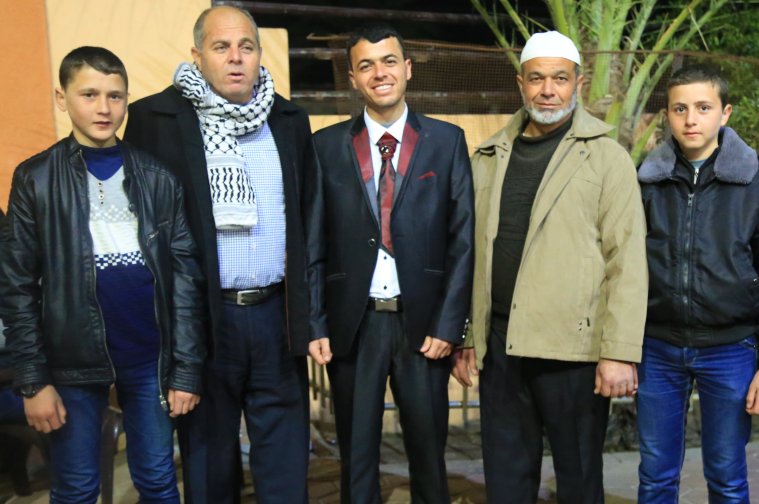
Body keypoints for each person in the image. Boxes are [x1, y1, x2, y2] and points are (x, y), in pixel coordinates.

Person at [124, 6, 325, 503]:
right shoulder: (155, 120)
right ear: (197, 55)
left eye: (246, 47)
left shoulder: (288, 119)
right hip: (205, 322)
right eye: (221, 47)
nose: (236, 58)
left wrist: (309, 316)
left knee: (286, 463)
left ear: (259, 54)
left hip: (276, 316)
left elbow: (309, 221)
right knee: (209, 467)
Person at [0, 46, 205, 504]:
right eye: (89, 94)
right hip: (70, 364)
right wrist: (33, 381)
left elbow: (185, 281)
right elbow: (16, 287)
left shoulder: (157, 177)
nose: (104, 108)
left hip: (149, 358)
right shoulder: (36, 179)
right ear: (62, 97)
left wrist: (187, 369)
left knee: (158, 481)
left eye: (115, 96)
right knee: (76, 488)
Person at [452, 31, 648, 503]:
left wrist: (619, 352)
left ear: (577, 84)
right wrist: (468, 334)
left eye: (559, 79)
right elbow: (469, 253)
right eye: (537, 78)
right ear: (520, 84)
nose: (547, 90)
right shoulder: (488, 156)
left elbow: (627, 258)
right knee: (506, 479)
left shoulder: (607, 158)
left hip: (573, 351)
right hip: (502, 346)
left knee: (578, 478)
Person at [311, 24, 473, 503]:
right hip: (353, 324)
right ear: (352, 79)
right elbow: (313, 240)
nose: (379, 73)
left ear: (407, 69)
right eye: (366, 65)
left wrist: (450, 326)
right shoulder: (326, 146)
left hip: (423, 326)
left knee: (428, 456)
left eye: (388, 62)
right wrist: (316, 321)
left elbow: (462, 240)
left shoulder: (446, 141)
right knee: (356, 456)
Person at [635, 64, 759, 502]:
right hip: (657, 347)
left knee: (726, 475)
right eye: (679, 108)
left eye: (703, 108)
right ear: (667, 114)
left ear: (725, 113)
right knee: (655, 474)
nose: (691, 119)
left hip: (731, 348)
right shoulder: (645, 180)